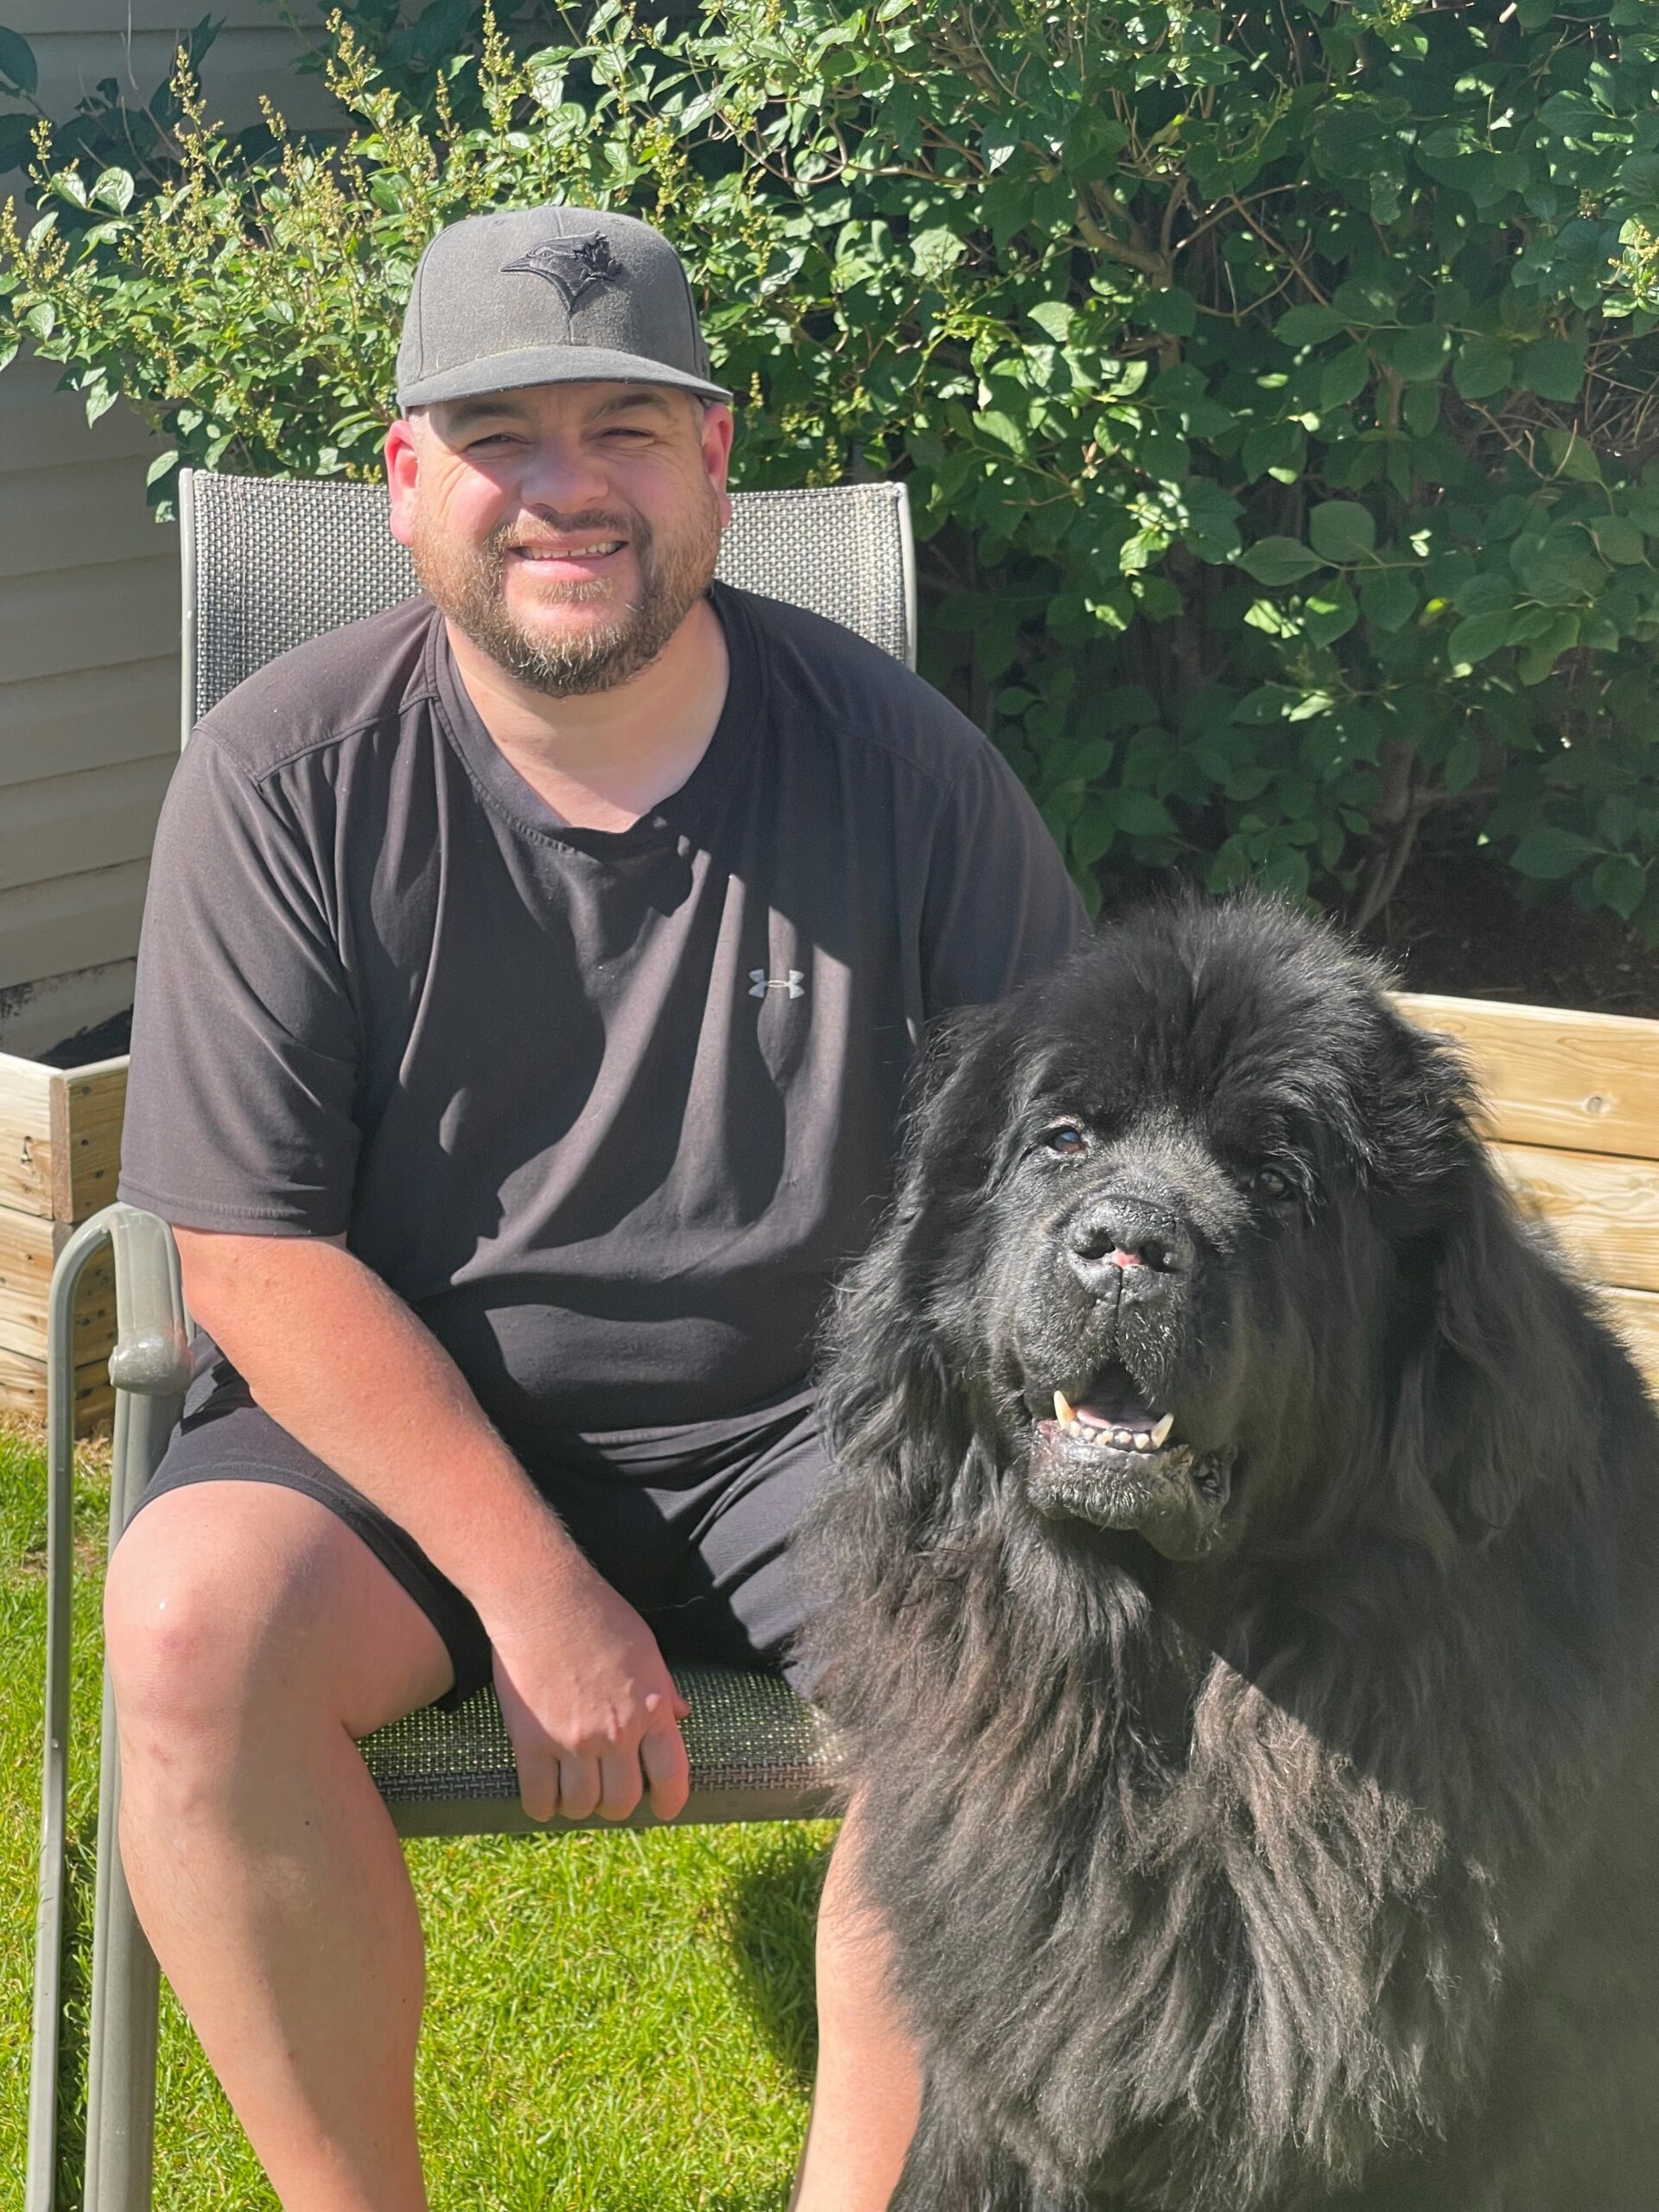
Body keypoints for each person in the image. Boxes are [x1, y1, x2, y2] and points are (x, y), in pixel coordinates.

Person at [105, 201, 1085, 2211]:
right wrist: (539, 1587)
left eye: (626, 430)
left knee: (1046, 1639)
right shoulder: (281, 779)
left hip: (821, 1426)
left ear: (715, 462)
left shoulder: (908, 771)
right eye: (501, 437)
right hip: (389, 1434)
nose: (569, 489)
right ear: (405, 482)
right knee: (190, 1627)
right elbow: (251, 1250)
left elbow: (1060, 1151)